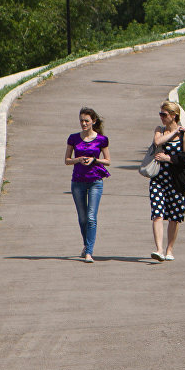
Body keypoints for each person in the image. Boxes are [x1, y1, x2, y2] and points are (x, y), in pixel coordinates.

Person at [148, 100, 185, 261]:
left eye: (164, 114)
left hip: (176, 180)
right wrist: (172, 133)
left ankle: (169, 249)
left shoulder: (184, 134)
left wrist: (169, 158)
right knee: (157, 214)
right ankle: (159, 249)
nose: (161, 117)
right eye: (160, 114)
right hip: (158, 179)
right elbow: (157, 142)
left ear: (174, 116)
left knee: (175, 216)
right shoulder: (160, 130)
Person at [64, 107, 110, 262]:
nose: (83, 123)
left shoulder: (101, 139)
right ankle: (86, 244)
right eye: (81, 121)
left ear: (93, 122)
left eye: (87, 121)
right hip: (77, 182)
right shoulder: (73, 138)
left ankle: (89, 251)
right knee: (82, 217)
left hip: (95, 181)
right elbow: (67, 160)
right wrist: (79, 159)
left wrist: (94, 160)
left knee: (91, 217)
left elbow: (108, 161)